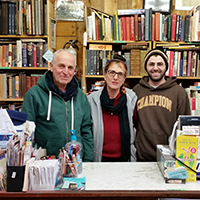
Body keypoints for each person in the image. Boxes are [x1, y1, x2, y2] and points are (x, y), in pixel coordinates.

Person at [21, 49, 94, 162]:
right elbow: (26, 133)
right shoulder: (34, 95)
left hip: (75, 162)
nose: (65, 72)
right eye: (61, 66)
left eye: (70, 68)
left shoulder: (81, 97)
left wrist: (89, 161)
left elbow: (86, 131)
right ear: (51, 66)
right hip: (45, 164)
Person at [133, 48, 191, 162]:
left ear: (166, 66)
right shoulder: (136, 91)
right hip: (142, 156)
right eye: (151, 64)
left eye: (160, 64)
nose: (155, 68)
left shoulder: (179, 92)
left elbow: (185, 127)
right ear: (146, 67)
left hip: (170, 157)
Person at [87, 54, 137, 162]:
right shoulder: (92, 100)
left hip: (124, 160)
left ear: (124, 78)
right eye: (112, 72)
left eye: (120, 74)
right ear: (105, 75)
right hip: (98, 159)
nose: (115, 77)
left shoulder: (131, 99)